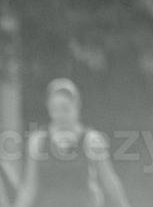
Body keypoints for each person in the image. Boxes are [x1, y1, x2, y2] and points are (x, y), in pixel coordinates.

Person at [14, 79, 131, 207]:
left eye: (65, 108)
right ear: (48, 108)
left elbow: (109, 181)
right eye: (55, 109)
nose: (60, 114)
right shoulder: (37, 141)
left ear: (77, 106)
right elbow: (29, 188)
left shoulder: (91, 140)